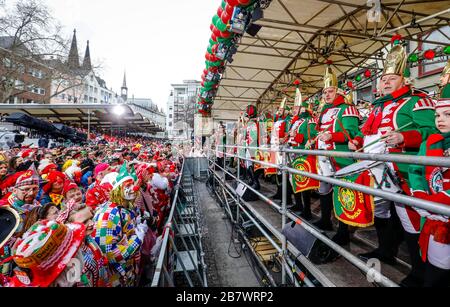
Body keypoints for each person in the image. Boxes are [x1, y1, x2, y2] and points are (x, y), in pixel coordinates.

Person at [349, 38, 438, 287]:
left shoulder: (416, 101)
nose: (386, 82)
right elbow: (367, 131)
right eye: (384, 79)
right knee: (381, 212)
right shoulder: (377, 107)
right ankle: (385, 250)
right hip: (378, 170)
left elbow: (433, 131)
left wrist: (403, 137)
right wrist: (357, 141)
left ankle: (421, 271)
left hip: (407, 173)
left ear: (404, 80)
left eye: (392, 79)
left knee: (412, 220)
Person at [407, 60, 450, 287]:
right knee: (435, 272)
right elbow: (416, 168)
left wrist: (443, 200)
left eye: (448, 114)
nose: (440, 120)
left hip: (442, 209)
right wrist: (419, 194)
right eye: (438, 115)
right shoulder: (433, 140)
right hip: (434, 218)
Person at [314, 65, 360, 246]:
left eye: (330, 91)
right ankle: (326, 219)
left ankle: (343, 231)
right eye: (325, 92)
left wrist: (332, 136)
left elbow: (351, 132)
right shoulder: (325, 111)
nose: (326, 95)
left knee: (342, 192)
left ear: (338, 91)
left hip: (341, 158)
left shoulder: (347, 108)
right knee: (324, 190)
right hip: (324, 156)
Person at [92, 163, 147, 287]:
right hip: (117, 278)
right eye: (128, 185)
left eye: (133, 184)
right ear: (116, 189)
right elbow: (109, 254)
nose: (134, 188)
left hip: (128, 273)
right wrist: (138, 238)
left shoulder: (126, 207)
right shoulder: (107, 214)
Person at [287, 83, 318, 220]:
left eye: (296, 108)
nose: (294, 110)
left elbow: (308, 139)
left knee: (304, 183)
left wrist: (294, 135)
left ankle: (306, 210)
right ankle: (298, 204)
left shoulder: (309, 120)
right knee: (295, 181)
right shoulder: (296, 121)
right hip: (294, 154)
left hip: (303, 155)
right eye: (293, 108)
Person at [270, 98, 293, 203]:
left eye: (281, 109)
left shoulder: (288, 120)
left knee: (285, 173)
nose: (279, 111)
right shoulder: (277, 120)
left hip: (283, 149)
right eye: (279, 109)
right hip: (276, 149)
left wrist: (283, 139)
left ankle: (287, 198)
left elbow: (287, 134)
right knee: (278, 172)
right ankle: (279, 193)